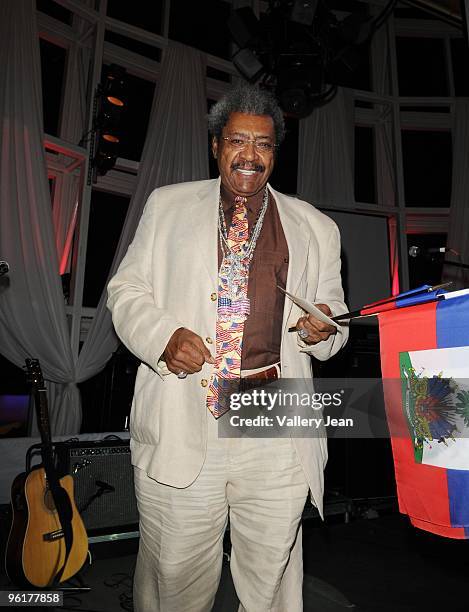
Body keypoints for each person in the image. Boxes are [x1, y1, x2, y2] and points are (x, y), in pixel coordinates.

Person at [107, 83, 349, 612]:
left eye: (263, 145)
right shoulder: (167, 206)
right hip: (185, 412)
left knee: (269, 576)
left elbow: (335, 315)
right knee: (176, 575)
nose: (250, 155)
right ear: (216, 144)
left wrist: (323, 328)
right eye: (238, 141)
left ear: (275, 154)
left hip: (275, 416)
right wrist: (164, 337)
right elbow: (125, 290)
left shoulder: (317, 227)